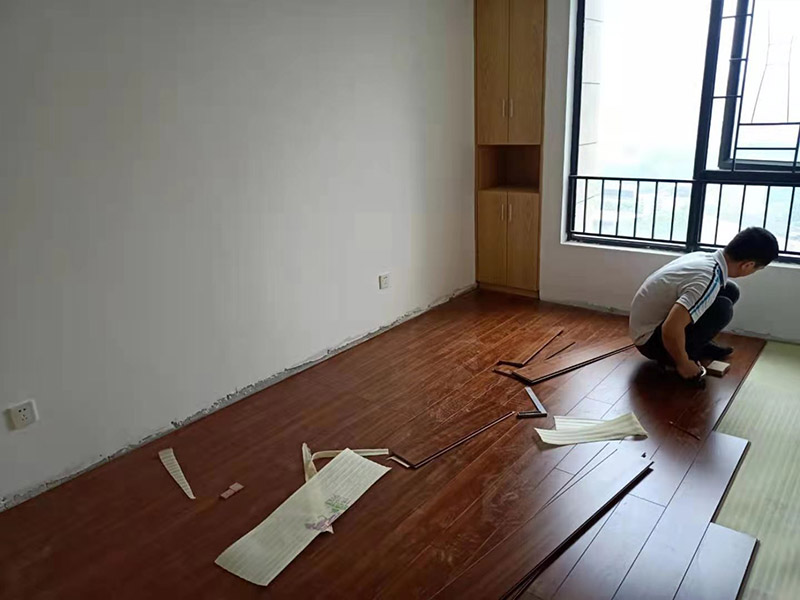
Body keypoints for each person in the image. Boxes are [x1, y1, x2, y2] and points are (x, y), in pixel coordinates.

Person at [629, 227, 778, 379]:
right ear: (747, 265)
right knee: (722, 309)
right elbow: (671, 327)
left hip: (648, 328)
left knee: (729, 290)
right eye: (756, 269)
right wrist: (683, 363)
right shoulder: (707, 278)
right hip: (650, 341)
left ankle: (699, 345)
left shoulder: (704, 257)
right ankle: (680, 357)